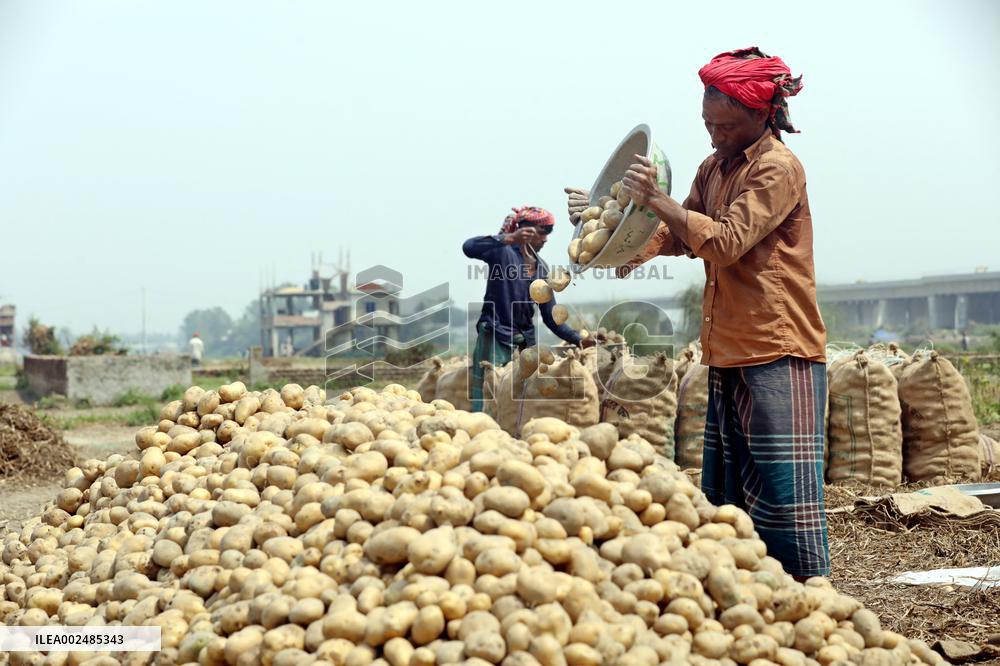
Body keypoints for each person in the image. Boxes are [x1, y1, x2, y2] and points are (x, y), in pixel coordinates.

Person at [567, 47, 828, 579]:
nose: (714, 136)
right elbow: (681, 233)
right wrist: (617, 237)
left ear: (762, 116)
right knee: (731, 487)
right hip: (728, 348)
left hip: (776, 346)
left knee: (785, 490)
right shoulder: (714, 167)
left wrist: (658, 201)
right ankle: (752, 586)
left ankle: (810, 591)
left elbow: (727, 241)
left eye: (726, 127)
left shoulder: (778, 169)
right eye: (708, 125)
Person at [463, 206, 594, 412]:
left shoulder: (541, 268)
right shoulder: (502, 253)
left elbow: (551, 317)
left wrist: (579, 339)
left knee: (521, 398)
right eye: (543, 233)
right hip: (497, 335)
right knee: (489, 392)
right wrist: (509, 238)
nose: (546, 239)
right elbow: (469, 247)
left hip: (526, 344)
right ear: (527, 231)